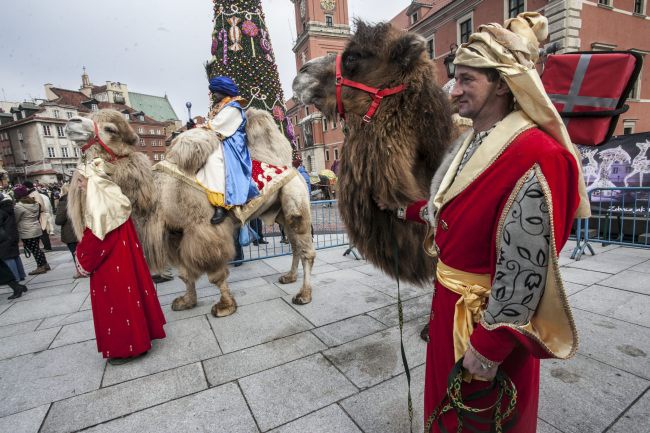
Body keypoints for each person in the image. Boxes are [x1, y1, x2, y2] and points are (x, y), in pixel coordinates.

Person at [397, 13, 589, 432]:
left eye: (468, 80)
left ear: (502, 82)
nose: (455, 90)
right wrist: (398, 209)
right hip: (450, 309)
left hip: (487, 325)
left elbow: (528, 270)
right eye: (455, 78)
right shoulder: (470, 141)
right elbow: (449, 209)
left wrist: (488, 348)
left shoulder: (538, 154)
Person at [73, 158, 166, 364]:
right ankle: (140, 338)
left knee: (118, 303)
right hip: (124, 261)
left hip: (111, 268)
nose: (79, 184)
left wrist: (81, 257)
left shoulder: (101, 206)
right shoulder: (113, 198)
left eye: (81, 180)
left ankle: (128, 348)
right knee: (132, 298)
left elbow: (96, 241)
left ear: (93, 181)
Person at [195, 76, 260, 225]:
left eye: (215, 92)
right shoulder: (221, 107)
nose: (213, 96)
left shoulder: (233, 108)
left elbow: (216, 127)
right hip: (220, 141)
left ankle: (221, 205)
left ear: (223, 91)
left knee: (212, 161)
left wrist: (199, 128)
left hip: (231, 147)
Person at [13, 184, 50, 275]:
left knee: (34, 249)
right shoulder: (34, 203)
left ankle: (40, 266)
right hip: (36, 228)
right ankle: (45, 264)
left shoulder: (19, 206)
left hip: (27, 230)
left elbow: (16, 219)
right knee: (37, 248)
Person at [55, 184, 82, 278]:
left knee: (75, 252)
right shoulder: (80, 199)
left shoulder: (63, 202)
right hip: (82, 229)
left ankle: (80, 271)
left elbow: (59, 220)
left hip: (70, 231)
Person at [0, 192, 27, 287]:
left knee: (7, 257)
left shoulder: (1, 210)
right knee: (15, 255)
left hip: (5, 237)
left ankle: (15, 278)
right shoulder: (8, 207)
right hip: (13, 234)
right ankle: (21, 274)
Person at [23, 180, 54, 251]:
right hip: (38, 215)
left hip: (39, 215)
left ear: (28, 187)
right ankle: (46, 247)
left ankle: (47, 247)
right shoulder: (32, 193)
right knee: (41, 232)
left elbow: (39, 205)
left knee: (43, 232)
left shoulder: (34, 194)